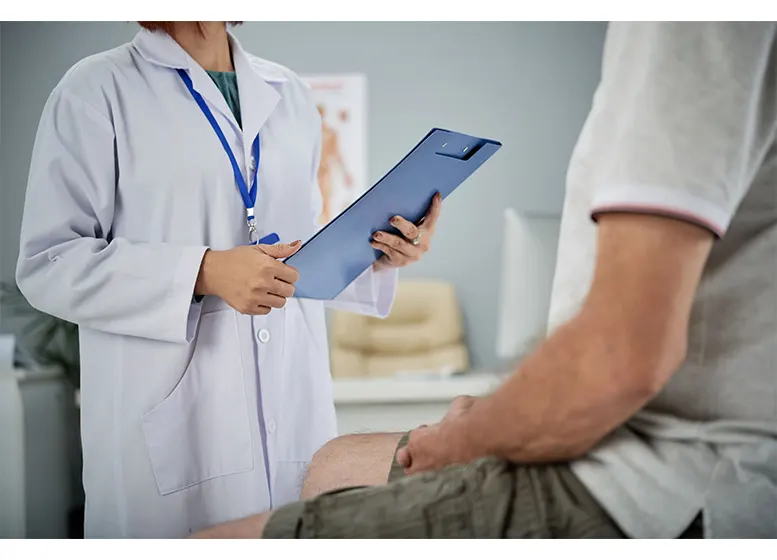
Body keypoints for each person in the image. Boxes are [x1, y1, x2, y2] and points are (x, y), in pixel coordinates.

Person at [191, 22, 777, 539]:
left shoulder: (686, 29)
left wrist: (468, 437)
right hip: (650, 440)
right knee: (336, 463)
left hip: (651, 478)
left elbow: (620, 357)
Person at [15, 21, 442, 538]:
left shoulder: (288, 92)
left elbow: (301, 249)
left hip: (291, 402)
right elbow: (49, 262)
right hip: (168, 419)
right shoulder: (96, 88)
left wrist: (378, 255)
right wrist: (203, 271)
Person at [316, 104, 354, 225]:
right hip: (311, 174)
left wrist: (346, 173)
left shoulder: (330, 134)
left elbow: (337, 155)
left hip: (325, 172)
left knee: (326, 203)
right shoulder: (309, 135)